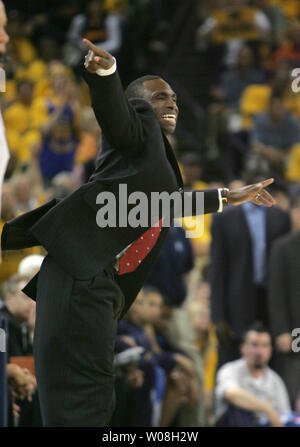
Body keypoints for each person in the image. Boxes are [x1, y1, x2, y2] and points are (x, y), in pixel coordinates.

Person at [1, 37, 276, 427]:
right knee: (84, 402)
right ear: (139, 104)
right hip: (83, 276)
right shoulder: (137, 128)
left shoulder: (149, 164)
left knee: (85, 400)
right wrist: (106, 77)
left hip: (93, 282)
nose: (172, 104)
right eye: (161, 97)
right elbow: (116, 115)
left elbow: (164, 205)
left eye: (175, 99)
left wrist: (227, 196)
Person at [210, 170, 291, 367]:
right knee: (234, 355)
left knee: (273, 357)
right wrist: (218, 315)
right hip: (237, 297)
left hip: (272, 297)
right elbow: (217, 269)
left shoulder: (281, 217)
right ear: (246, 185)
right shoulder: (224, 218)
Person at [214, 323, 291, 427]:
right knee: (238, 409)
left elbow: (285, 416)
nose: (259, 352)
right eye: (254, 345)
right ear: (243, 348)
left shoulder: (276, 381)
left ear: (270, 351)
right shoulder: (229, 370)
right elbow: (231, 393)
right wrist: (267, 409)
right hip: (234, 422)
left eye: (264, 345)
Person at [268, 196, 300, 409]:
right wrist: (281, 330)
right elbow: (276, 292)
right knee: (291, 390)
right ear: (293, 213)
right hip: (294, 330)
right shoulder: (283, 247)